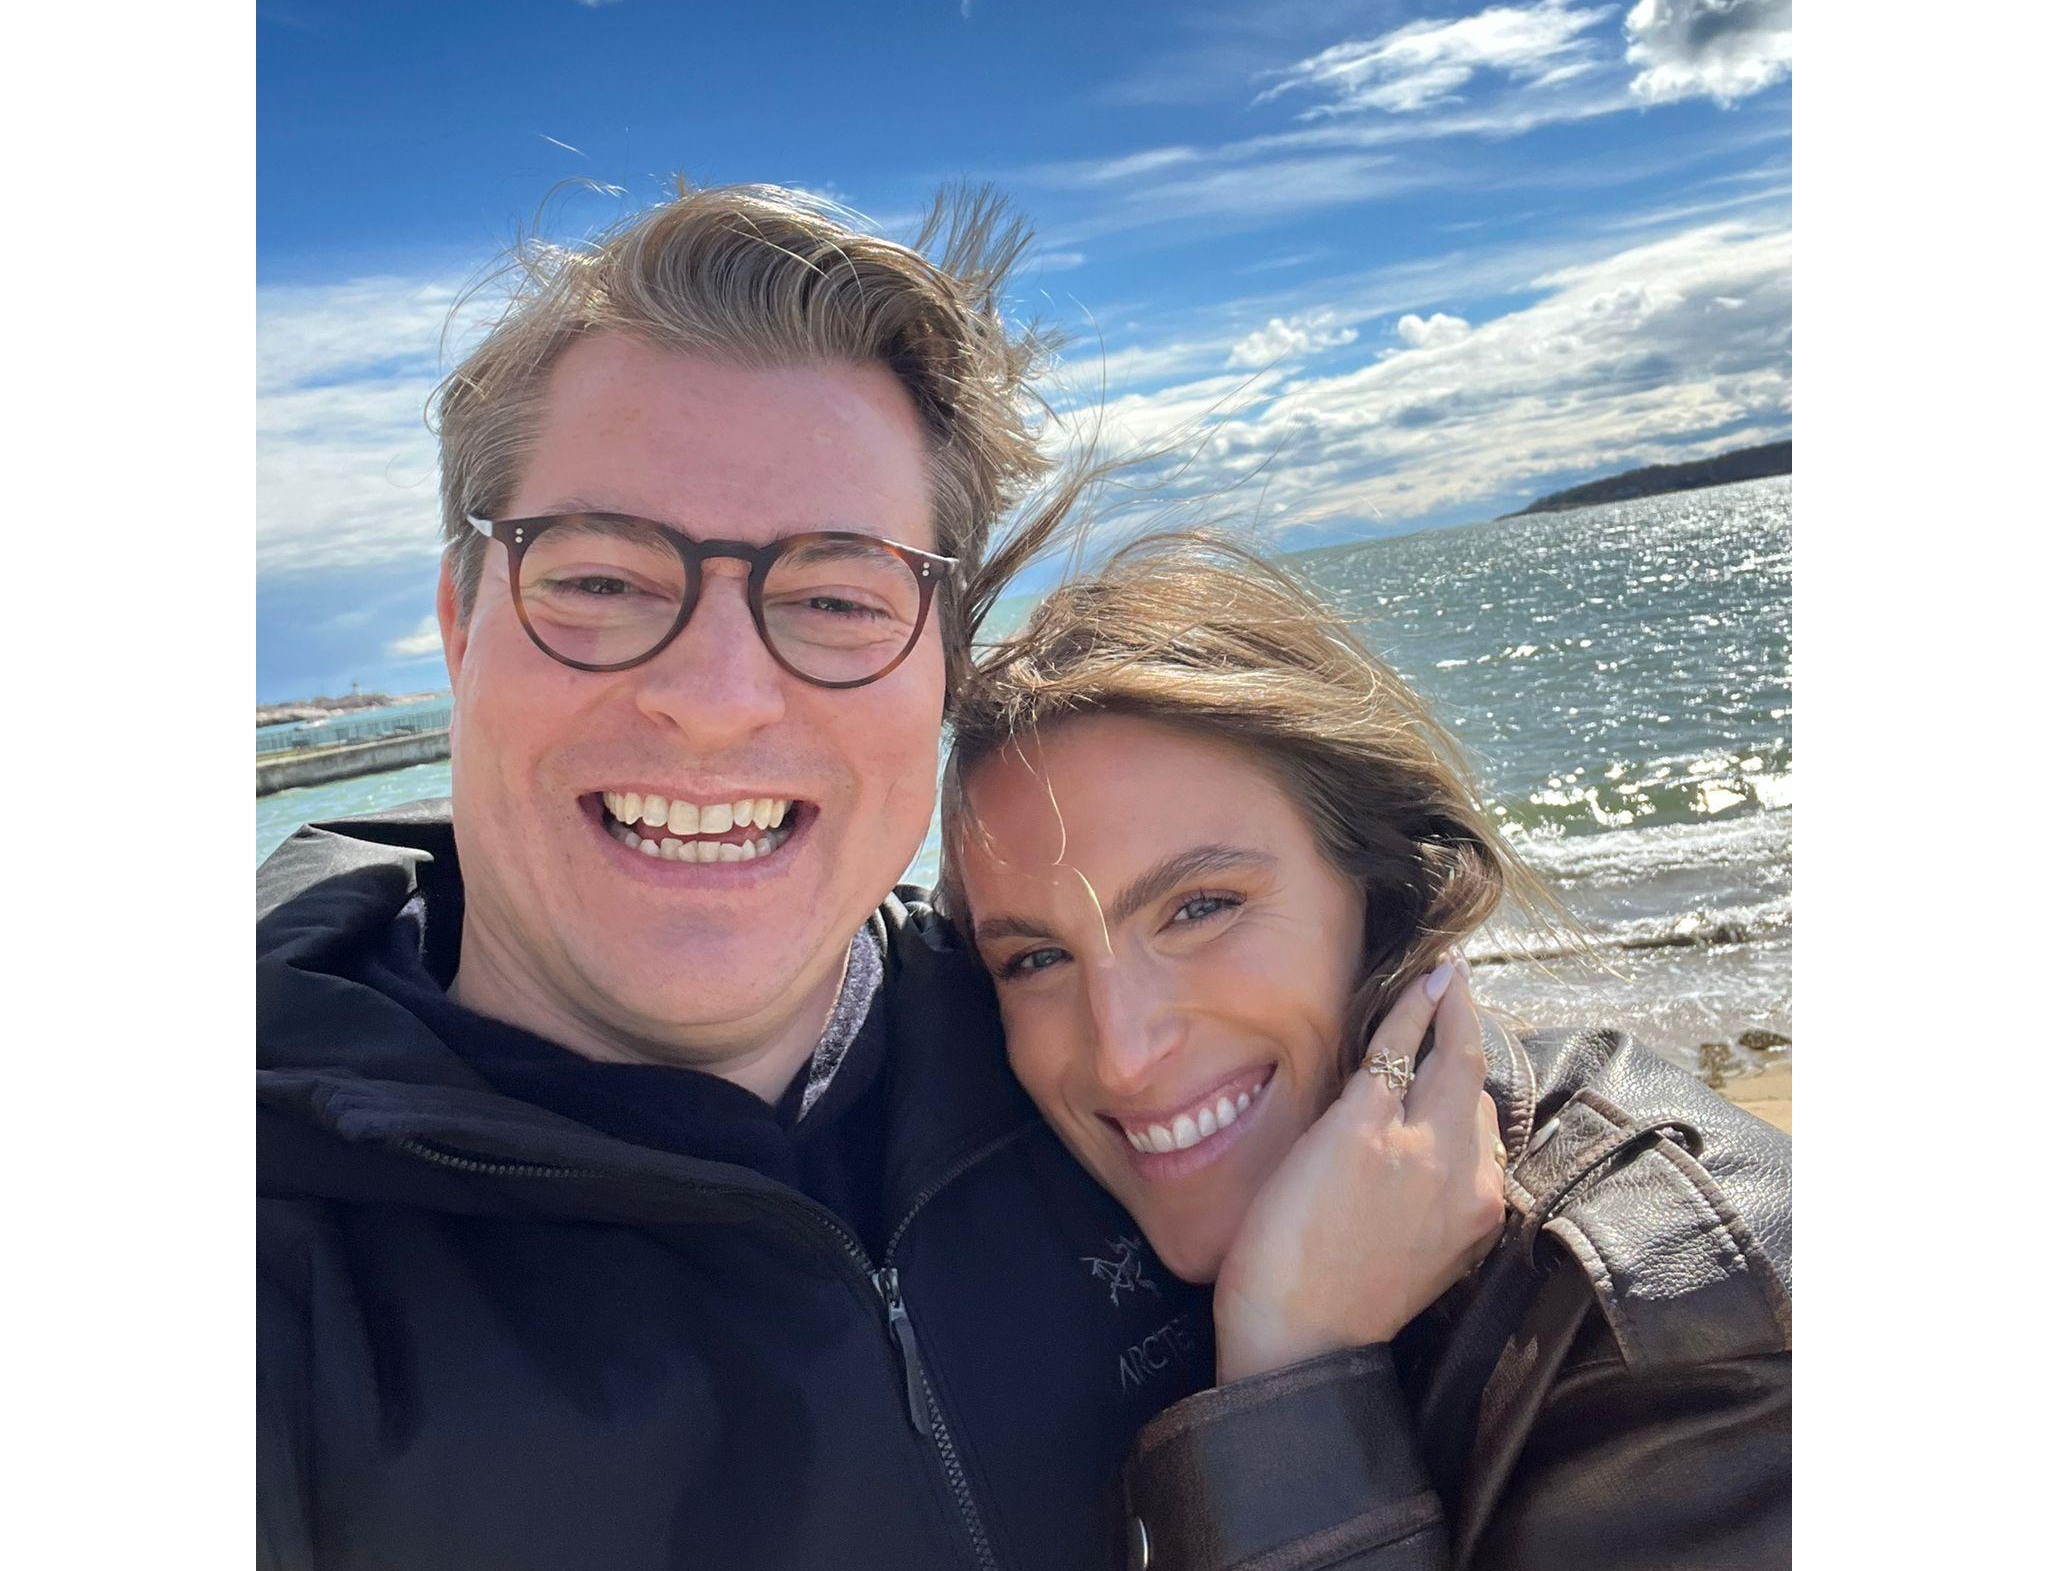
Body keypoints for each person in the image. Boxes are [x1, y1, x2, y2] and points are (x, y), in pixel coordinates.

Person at [260, 183, 1249, 1571]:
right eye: (600, 581)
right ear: (459, 625)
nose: (718, 698)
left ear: (945, 671)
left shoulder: (1090, 1058)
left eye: (837, 599)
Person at [941, 534, 1793, 1571]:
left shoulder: (1694, 1327)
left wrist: (1294, 1370)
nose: (1121, 1055)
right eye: (1035, 958)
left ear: (1381, 891)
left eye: (1201, 907)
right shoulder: (1056, 1253)